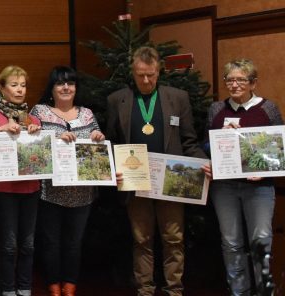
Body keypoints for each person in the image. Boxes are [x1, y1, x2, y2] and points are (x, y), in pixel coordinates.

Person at [104, 46, 205, 296]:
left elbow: (189, 141)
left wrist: (204, 162)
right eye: (140, 75)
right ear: (133, 72)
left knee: (173, 239)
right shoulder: (118, 100)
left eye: (150, 74)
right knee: (141, 240)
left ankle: (174, 290)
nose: (146, 80)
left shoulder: (177, 98)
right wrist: (116, 167)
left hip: (171, 180)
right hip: (136, 181)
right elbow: (111, 141)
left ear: (158, 72)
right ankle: (145, 290)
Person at [206, 59, 281, 296]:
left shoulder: (267, 108)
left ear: (253, 83)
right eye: (230, 79)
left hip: (259, 188)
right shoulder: (217, 110)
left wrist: (266, 171)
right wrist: (211, 155)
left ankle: (263, 290)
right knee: (231, 243)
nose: (235, 84)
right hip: (224, 188)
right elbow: (206, 145)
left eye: (241, 79)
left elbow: (280, 150)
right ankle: (239, 291)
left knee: (261, 240)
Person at [30, 66, 105, 296]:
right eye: (60, 83)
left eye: (70, 83)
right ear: (51, 89)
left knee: (74, 243)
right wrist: (53, 137)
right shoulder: (40, 111)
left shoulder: (87, 114)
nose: (65, 87)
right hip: (49, 192)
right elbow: (31, 143)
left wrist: (98, 137)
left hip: (82, 193)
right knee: (51, 242)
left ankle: (70, 287)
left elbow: (99, 146)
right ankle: (53, 286)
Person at [0, 65, 42, 296]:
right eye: (14, 85)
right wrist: (2, 133)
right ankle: (8, 290)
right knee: (8, 245)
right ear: (3, 89)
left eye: (23, 85)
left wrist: (38, 137)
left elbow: (43, 157)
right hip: (5, 190)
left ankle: (25, 289)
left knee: (28, 245)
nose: (20, 90)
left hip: (31, 188)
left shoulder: (33, 119)